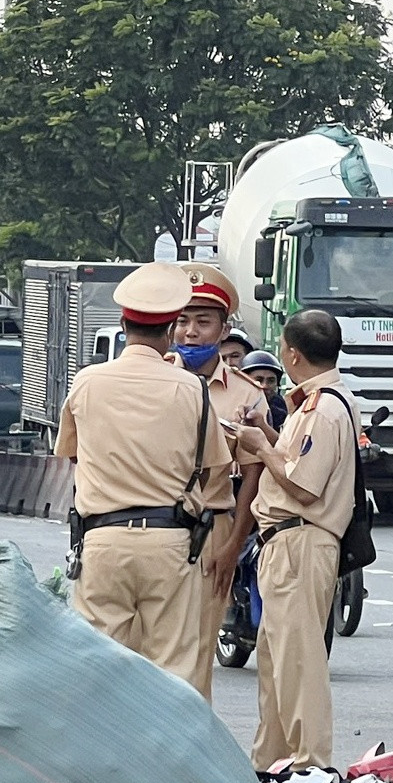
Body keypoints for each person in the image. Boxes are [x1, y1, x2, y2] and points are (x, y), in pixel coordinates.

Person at [55, 262, 232, 691]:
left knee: (96, 668)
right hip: (171, 544)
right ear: (171, 328)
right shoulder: (191, 388)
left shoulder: (87, 383)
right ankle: (171, 759)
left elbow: (70, 454)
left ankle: (101, 756)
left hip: (102, 542)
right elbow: (213, 464)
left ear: (121, 323)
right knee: (175, 672)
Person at [231, 309, 356, 770]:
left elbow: (304, 485)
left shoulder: (324, 410)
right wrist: (266, 433)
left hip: (301, 541)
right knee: (277, 663)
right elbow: (296, 457)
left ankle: (311, 766)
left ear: (292, 354)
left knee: (298, 665)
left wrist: (262, 449)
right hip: (286, 543)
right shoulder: (313, 404)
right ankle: (272, 763)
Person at [167, 264, 267, 701]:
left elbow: (253, 475)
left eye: (203, 322)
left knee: (197, 652)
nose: (190, 332)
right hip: (156, 525)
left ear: (224, 329)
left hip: (213, 530)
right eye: (183, 320)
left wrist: (233, 548)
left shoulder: (246, 393)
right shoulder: (153, 379)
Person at [239, 349, 289, 430]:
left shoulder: (283, 412)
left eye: (271, 380)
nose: (265, 386)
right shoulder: (231, 401)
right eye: (258, 380)